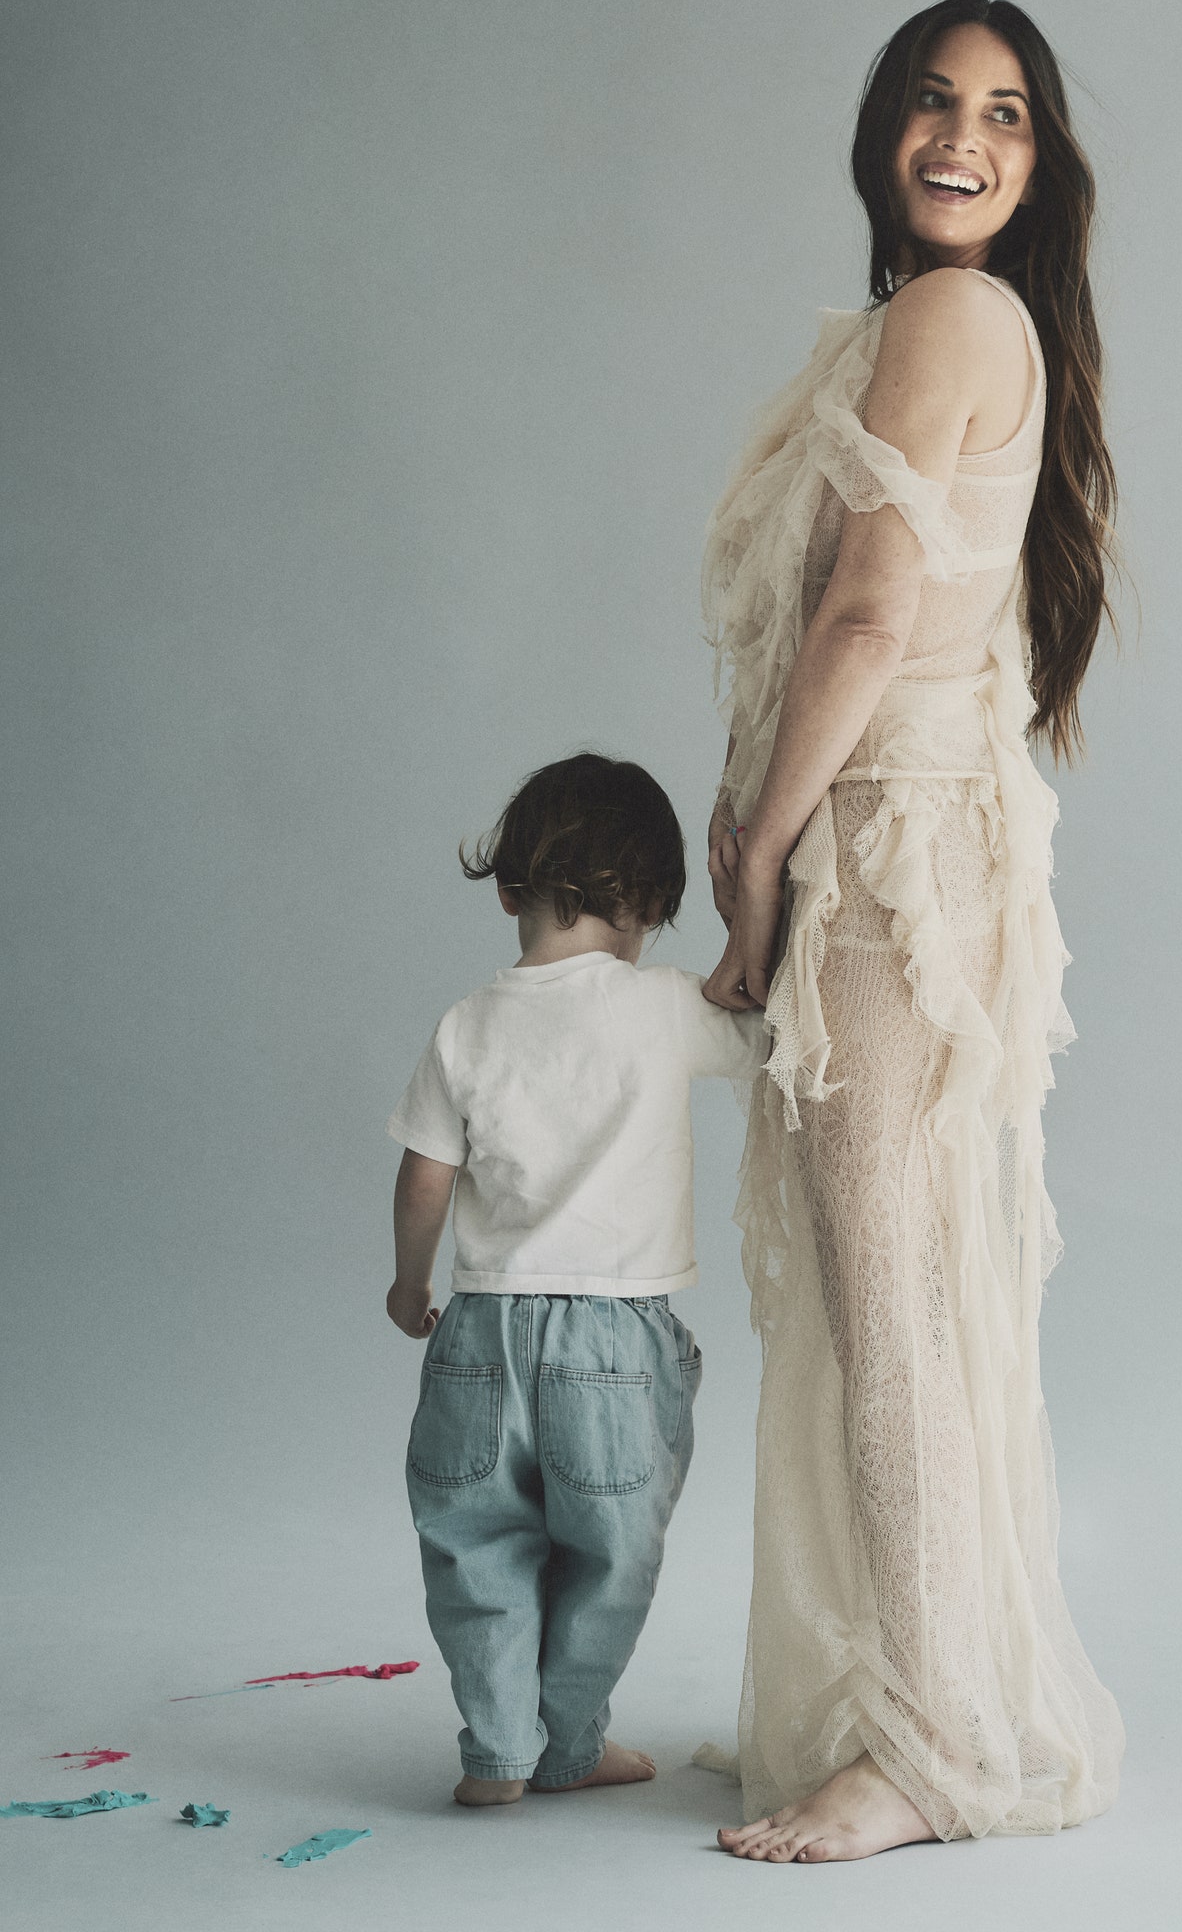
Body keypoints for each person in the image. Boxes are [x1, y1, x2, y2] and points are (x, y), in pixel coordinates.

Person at [701, 0, 1126, 1861]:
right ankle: (911, 1696)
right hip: (908, 837)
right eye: (937, 106)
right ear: (883, 127)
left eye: (1008, 117)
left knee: (889, 1296)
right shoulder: (934, 321)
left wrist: (760, 851)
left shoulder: (954, 314)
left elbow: (871, 614)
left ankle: (936, 1743)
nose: (965, 139)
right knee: (899, 1286)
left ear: (1038, 168)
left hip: (883, 855)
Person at [386, 752, 766, 1808]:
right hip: (611, 1338)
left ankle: (495, 1746)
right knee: (609, 1552)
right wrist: (746, 926)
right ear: (649, 905)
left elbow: (423, 1176)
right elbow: (765, 1019)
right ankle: (567, 1741)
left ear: (507, 889)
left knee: (475, 1540)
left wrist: (407, 1286)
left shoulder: (467, 1022)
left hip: (478, 1330)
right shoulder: (660, 1005)